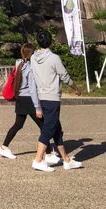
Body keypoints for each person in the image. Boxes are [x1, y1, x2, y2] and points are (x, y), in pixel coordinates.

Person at [30, 29, 83, 173]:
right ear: (50, 42)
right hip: (52, 98)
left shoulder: (33, 58)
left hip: (42, 97)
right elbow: (64, 76)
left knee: (56, 130)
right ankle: (38, 160)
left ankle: (66, 160)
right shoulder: (54, 58)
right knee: (48, 129)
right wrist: (75, 88)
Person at [0, 43, 60, 164]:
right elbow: (32, 89)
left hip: (20, 98)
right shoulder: (31, 68)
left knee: (18, 124)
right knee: (44, 126)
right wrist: (37, 107)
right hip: (29, 100)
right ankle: (47, 154)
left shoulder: (19, 63)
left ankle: (4, 147)